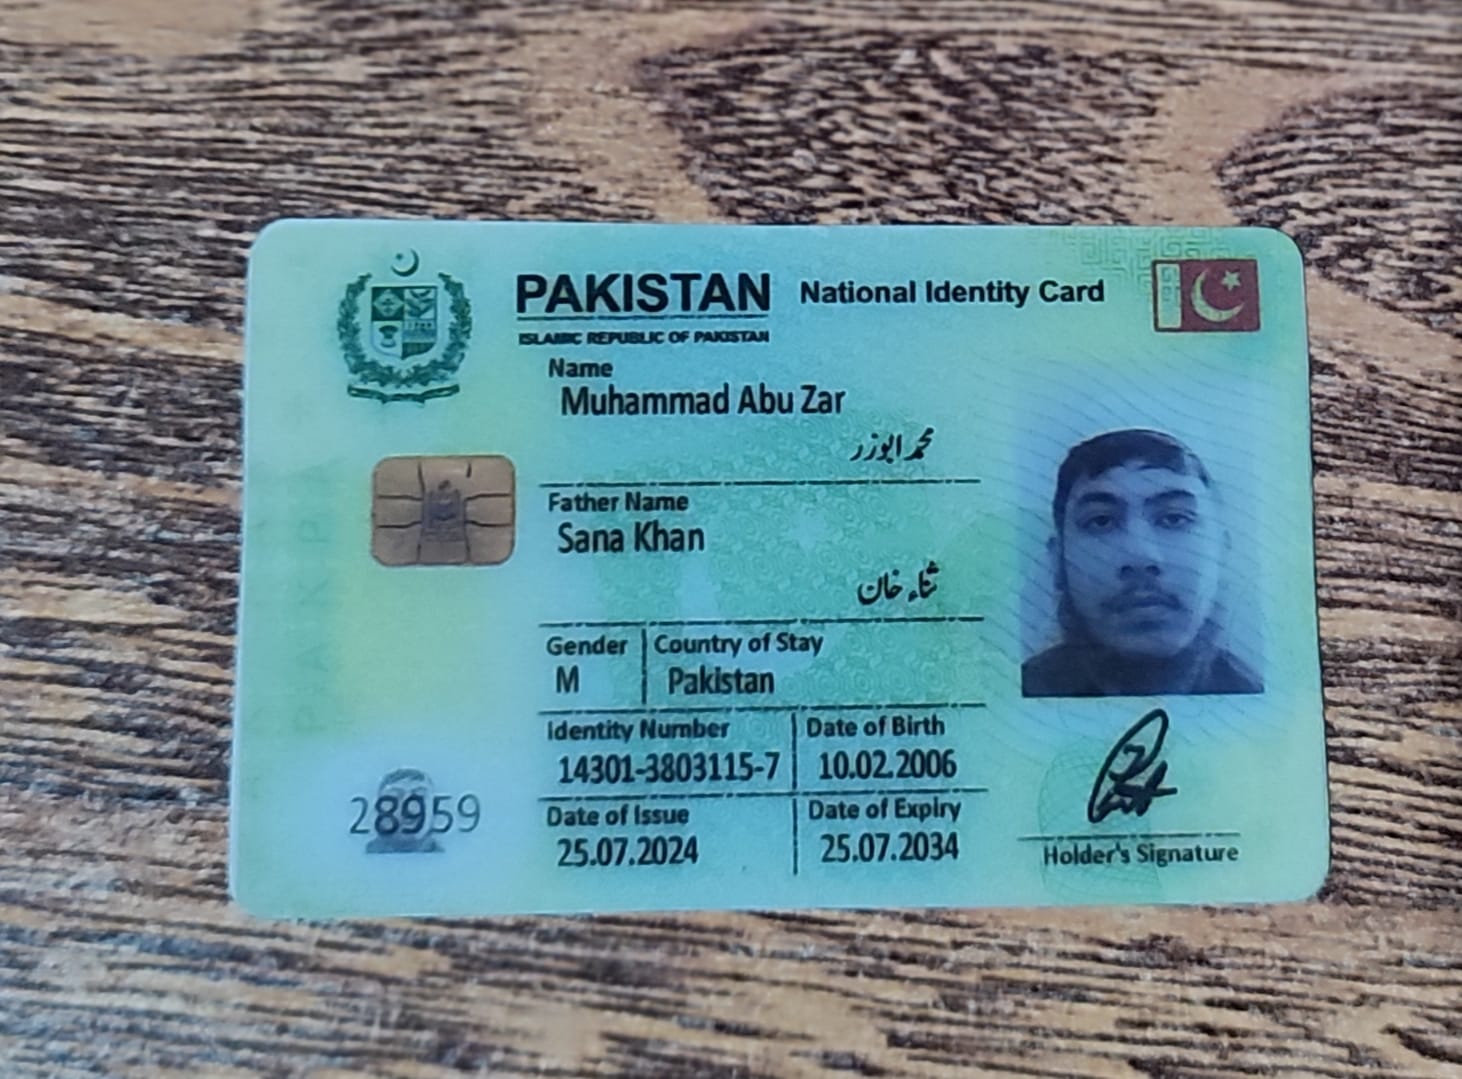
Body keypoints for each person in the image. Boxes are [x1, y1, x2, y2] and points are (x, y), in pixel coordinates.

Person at [1022, 428, 1262, 697]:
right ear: (1058, 560)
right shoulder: (1009, 698)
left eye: (1174, 518)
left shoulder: (1269, 703)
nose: (1141, 556)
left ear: (1222, 552)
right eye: (1101, 520)